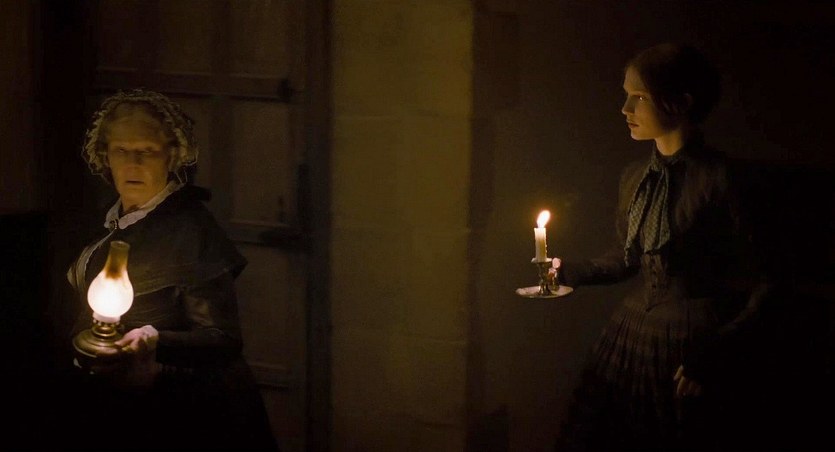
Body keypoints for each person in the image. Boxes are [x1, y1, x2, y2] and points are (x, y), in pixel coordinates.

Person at [552, 43, 777, 451]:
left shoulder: (721, 180)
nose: (625, 109)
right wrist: (568, 271)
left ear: (681, 103)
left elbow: (767, 280)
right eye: (626, 95)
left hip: (693, 342)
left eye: (638, 97)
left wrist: (717, 352)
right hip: (634, 335)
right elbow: (627, 258)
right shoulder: (635, 177)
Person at [63, 89, 279, 451]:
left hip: (183, 413)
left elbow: (222, 339)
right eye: (121, 150)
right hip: (112, 406)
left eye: (147, 151)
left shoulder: (192, 230)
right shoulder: (106, 221)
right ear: (105, 157)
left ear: (172, 156)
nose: (133, 162)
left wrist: (153, 341)